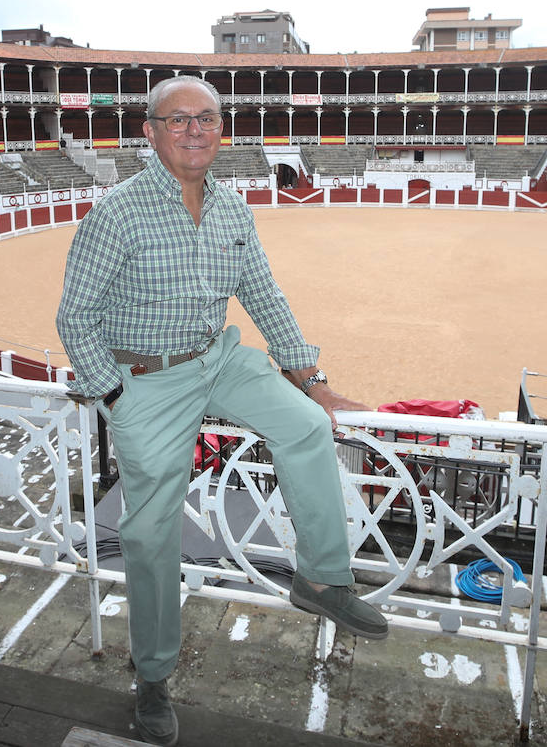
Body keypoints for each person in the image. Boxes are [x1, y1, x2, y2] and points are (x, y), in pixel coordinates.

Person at [55, 75, 387, 746]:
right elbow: (75, 317)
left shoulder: (234, 210)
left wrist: (311, 379)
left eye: (206, 118)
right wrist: (114, 392)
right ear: (150, 133)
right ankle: (152, 677)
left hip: (219, 357)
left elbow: (264, 295)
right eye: (177, 120)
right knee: (149, 532)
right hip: (146, 377)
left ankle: (322, 581)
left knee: (304, 425)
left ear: (220, 130)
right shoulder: (117, 213)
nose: (195, 130)